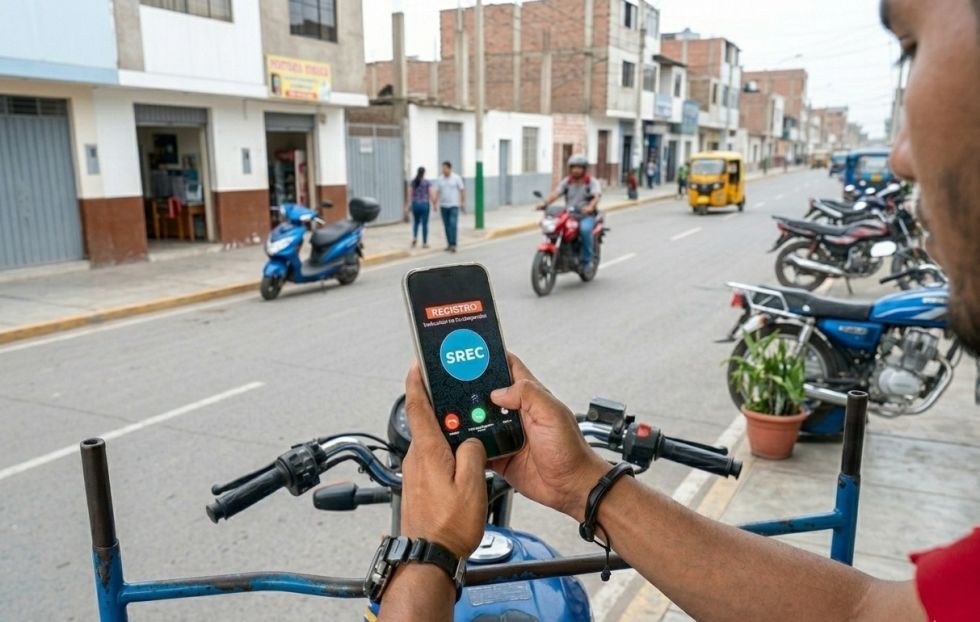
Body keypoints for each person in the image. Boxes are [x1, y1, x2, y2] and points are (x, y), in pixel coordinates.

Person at [379, 1, 980, 620]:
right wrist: (579, 482)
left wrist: (427, 551)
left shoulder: (592, 190)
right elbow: (856, 611)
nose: (900, 154)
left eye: (911, 49)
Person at [537, 154, 601, 269]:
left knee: (585, 230)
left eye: (579, 167)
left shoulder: (591, 182)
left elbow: (596, 196)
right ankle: (560, 254)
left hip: (586, 216)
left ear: (584, 169)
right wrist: (545, 203)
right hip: (569, 215)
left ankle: (587, 261)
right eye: (573, 167)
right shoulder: (567, 181)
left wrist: (590, 207)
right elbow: (556, 193)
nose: (576, 170)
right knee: (556, 228)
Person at [433, 161, 465, 252]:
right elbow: (437, 191)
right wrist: (435, 203)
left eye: (445, 168)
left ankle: (453, 244)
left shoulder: (456, 178)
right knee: (446, 225)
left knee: (453, 224)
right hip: (443, 206)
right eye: (442, 168)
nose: (443, 170)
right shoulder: (440, 179)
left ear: (450, 168)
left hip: (454, 205)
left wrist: (462, 202)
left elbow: (462, 190)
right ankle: (449, 244)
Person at [404, 166, 433, 248]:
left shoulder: (414, 182)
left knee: (416, 222)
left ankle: (415, 238)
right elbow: (430, 193)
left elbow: (410, 194)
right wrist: (434, 203)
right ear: (424, 173)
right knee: (425, 224)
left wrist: (407, 204)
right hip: (424, 204)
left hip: (415, 204)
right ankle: (424, 242)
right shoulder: (427, 182)